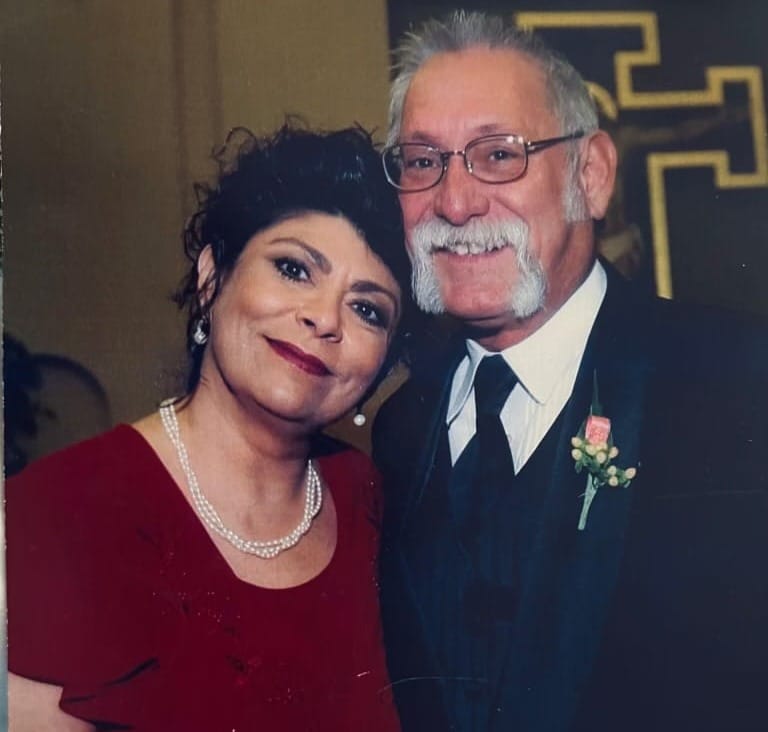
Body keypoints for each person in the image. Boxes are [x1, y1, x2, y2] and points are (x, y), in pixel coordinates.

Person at [373, 11, 768, 732]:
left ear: (591, 175)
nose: (454, 204)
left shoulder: (735, 383)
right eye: (423, 161)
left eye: (499, 155)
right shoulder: (399, 430)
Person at [7, 123, 411, 731]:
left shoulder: (373, 501)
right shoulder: (57, 511)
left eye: (366, 309)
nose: (324, 318)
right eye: (294, 269)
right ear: (211, 276)